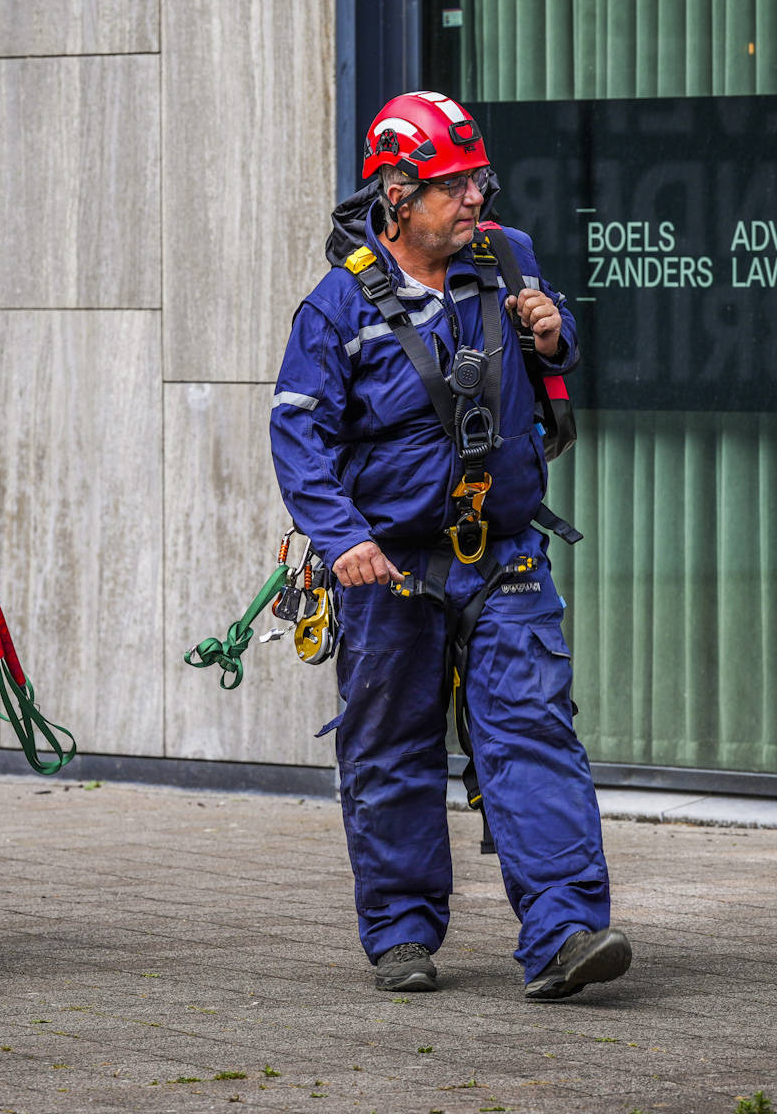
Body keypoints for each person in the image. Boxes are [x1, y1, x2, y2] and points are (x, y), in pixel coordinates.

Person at [269, 90, 628, 1000]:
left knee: (534, 736)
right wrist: (342, 537)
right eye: (452, 185)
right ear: (395, 193)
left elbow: (553, 354)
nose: (476, 200)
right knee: (390, 749)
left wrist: (555, 335)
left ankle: (566, 930)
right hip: (388, 569)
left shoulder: (507, 259)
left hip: (505, 553)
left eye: (479, 180)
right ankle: (399, 932)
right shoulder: (335, 307)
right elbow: (296, 435)